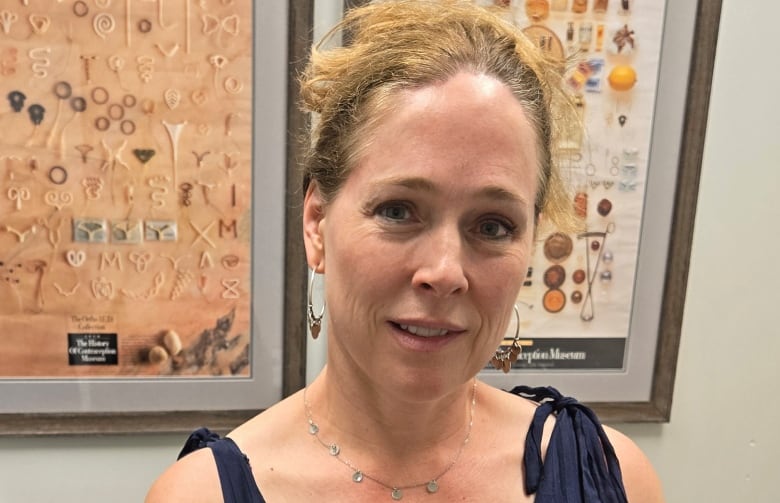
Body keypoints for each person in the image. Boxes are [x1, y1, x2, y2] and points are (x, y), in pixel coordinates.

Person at [146, 1, 664, 501]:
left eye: (493, 225)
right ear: (317, 224)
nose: (444, 272)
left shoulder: (610, 477)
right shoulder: (203, 495)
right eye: (398, 211)